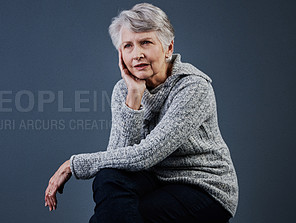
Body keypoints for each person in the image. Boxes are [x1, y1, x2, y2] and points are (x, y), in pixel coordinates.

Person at [44, 3, 238, 223]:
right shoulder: (123, 90)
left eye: (145, 42)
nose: (137, 54)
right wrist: (134, 97)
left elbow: (147, 154)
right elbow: (116, 162)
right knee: (107, 178)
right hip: (155, 180)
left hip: (203, 187)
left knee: (124, 216)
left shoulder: (193, 88)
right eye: (128, 46)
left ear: (168, 48)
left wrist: (74, 164)